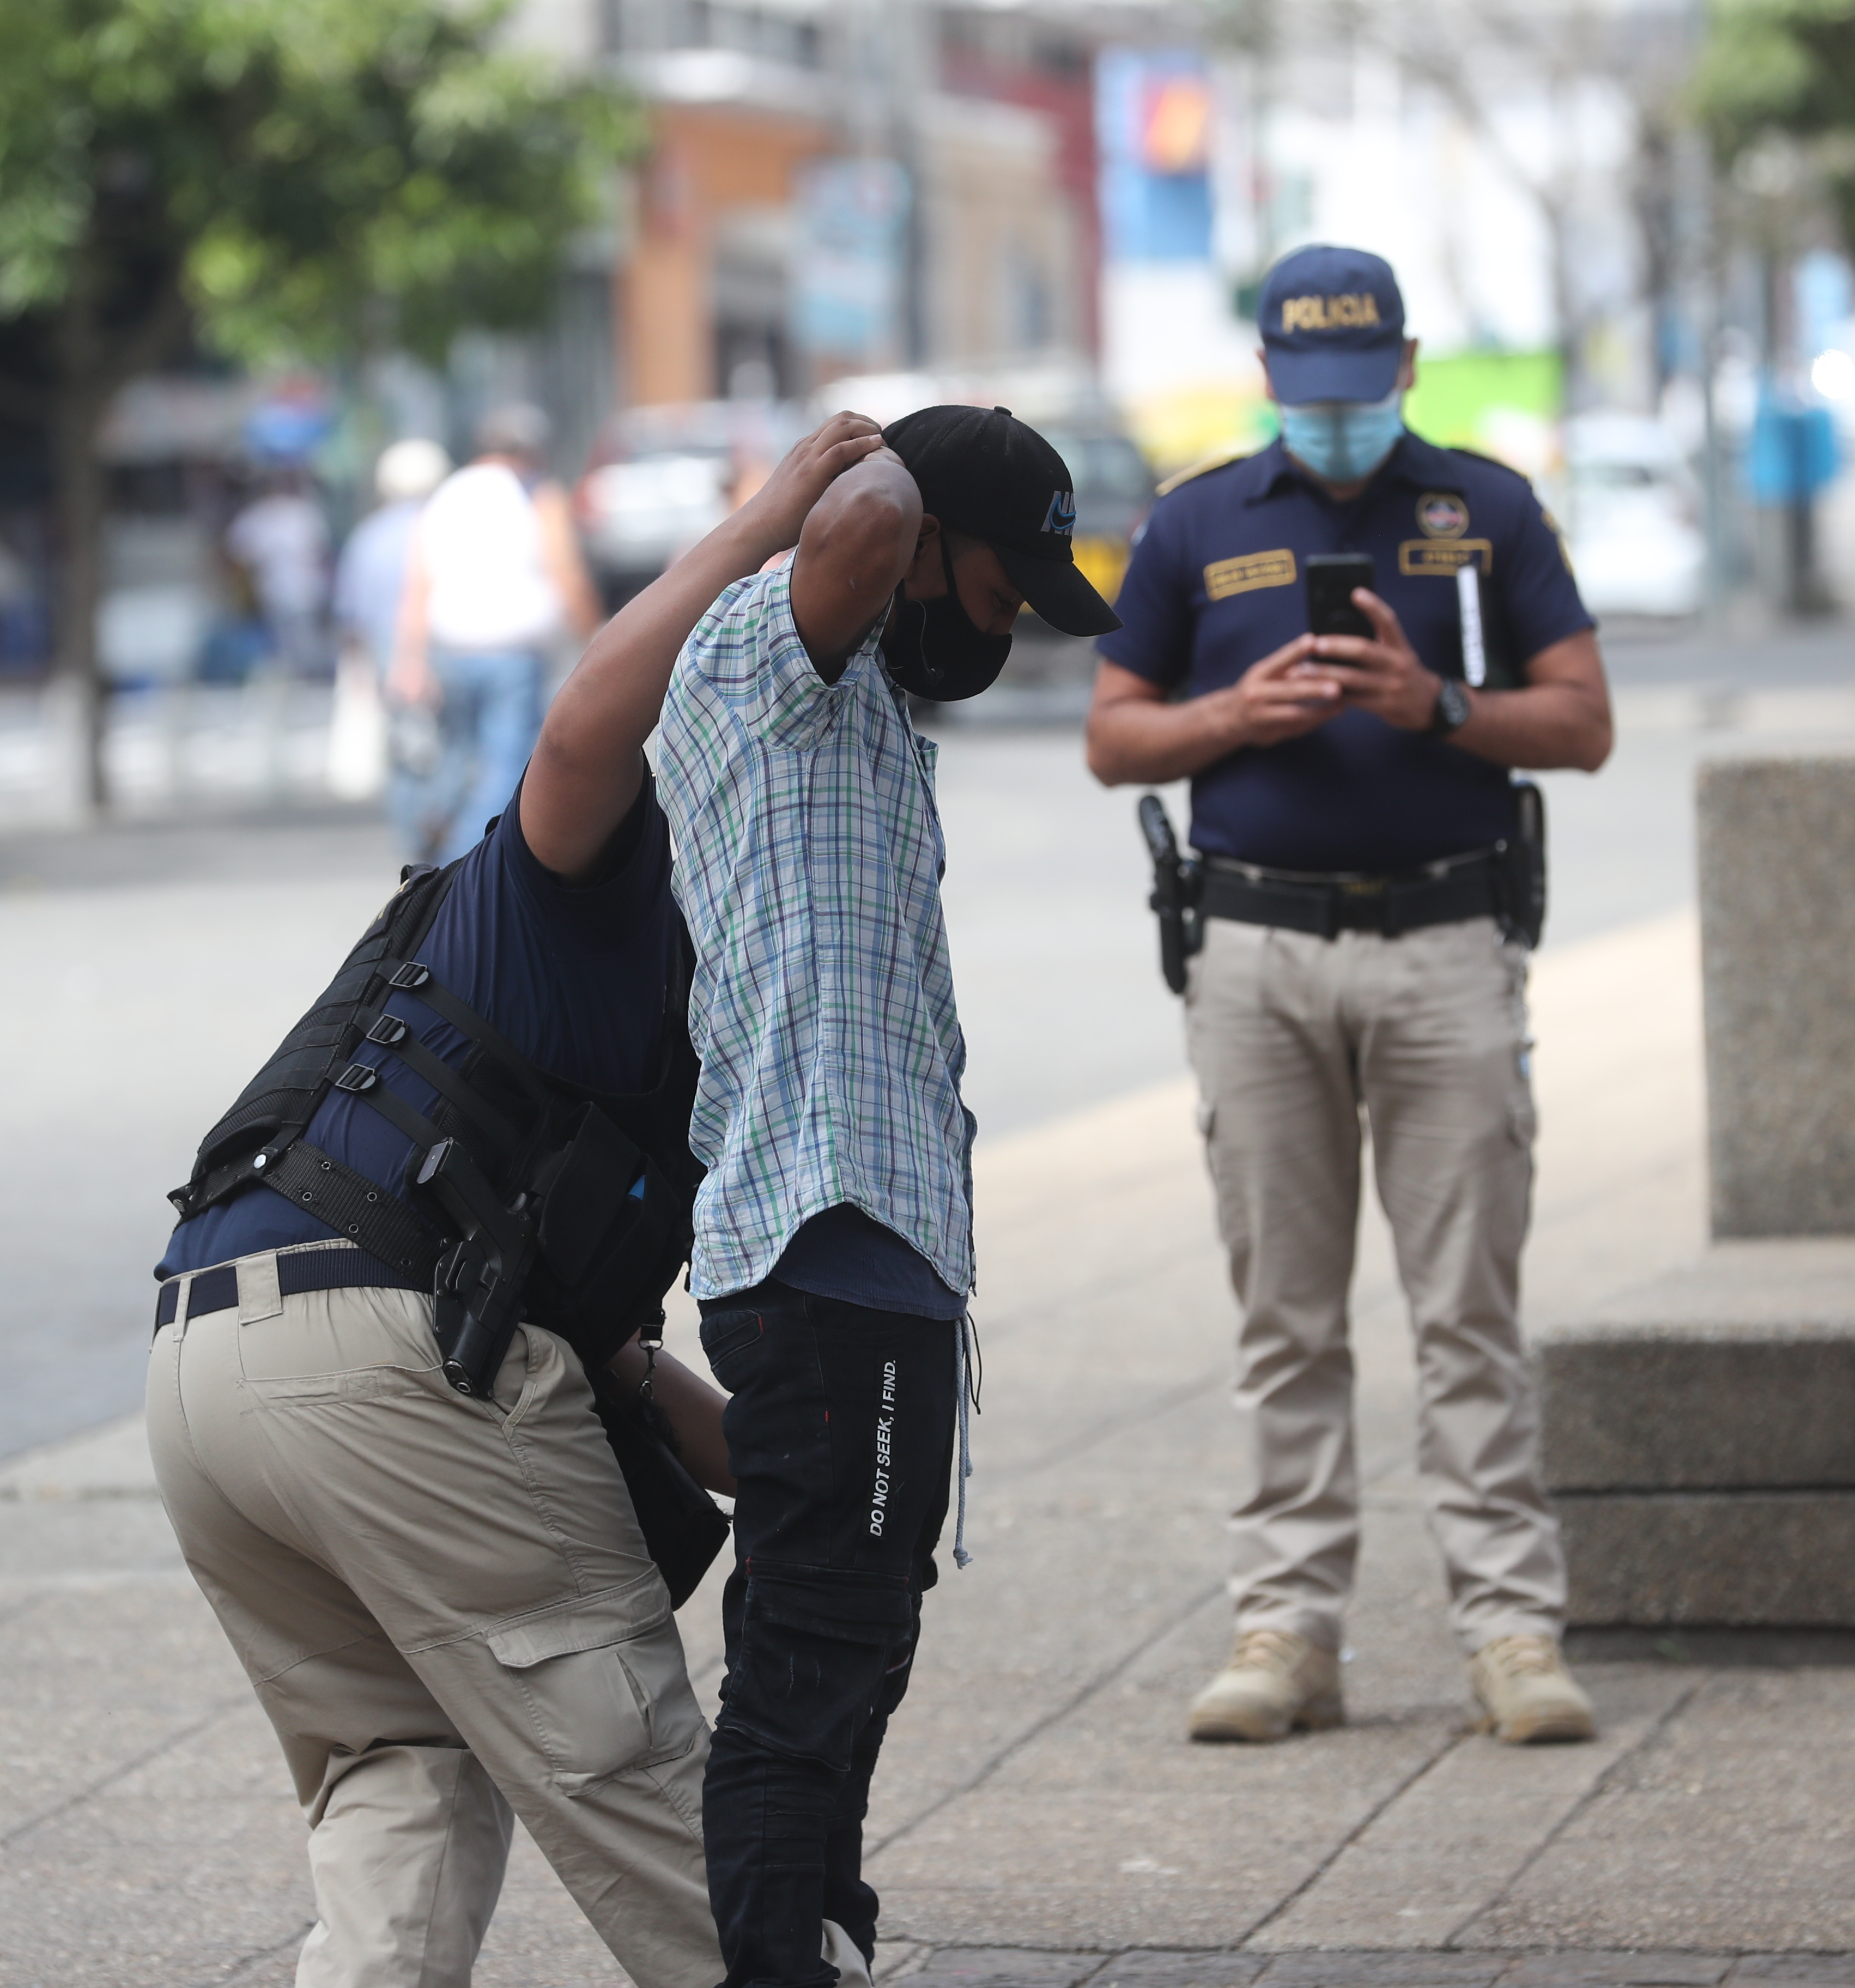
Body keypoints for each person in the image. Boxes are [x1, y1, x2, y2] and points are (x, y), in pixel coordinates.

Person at [144, 411, 896, 1988]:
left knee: (399, 1772)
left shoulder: (540, 987)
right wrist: (763, 523)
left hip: (209, 1367)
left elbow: (606, 1357)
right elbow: (574, 734)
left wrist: (813, 1472)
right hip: (391, 1362)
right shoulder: (588, 881)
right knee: (659, 1810)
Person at [1083, 244, 1616, 1748]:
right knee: (1286, 1315)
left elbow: (1583, 721)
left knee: (1468, 1313)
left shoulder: (1486, 512)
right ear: (1268, 381)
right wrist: (1230, 717)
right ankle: (1288, 1632)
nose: (1334, 419)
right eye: (1308, 393)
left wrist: (1435, 706)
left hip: (1449, 946)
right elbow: (1113, 739)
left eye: (1361, 387)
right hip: (1256, 956)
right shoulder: (1195, 522)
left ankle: (1512, 1631)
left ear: (1407, 365)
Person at [653, 403, 1123, 1988]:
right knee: (806, 1664)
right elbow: (859, 521)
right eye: (999, 590)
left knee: (859, 1643)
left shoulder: (861, 709)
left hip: (884, 1254)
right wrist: (875, 472)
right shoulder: (768, 664)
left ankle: (821, 1937)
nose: (1000, 631)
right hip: (823, 1240)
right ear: (922, 545)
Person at [390, 404, 601, 862]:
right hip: (512, 654)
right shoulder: (535, 495)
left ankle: (429, 834)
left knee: (458, 759)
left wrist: (409, 657)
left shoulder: (447, 496)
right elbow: (567, 573)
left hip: (451, 650)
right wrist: (597, 636)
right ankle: (459, 868)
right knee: (506, 766)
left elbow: (418, 584)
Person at [335, 438, 453, 841]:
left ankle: (414, 848)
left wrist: (358, 668)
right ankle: (451, 838)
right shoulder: (447, 526)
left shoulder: (368, 536)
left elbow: (350, 613)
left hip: (387, 650)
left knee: (404, 752)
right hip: (446, 646)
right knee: (453, 745)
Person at [226, 459, 335, 680]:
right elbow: (237, 555)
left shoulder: (302, 513)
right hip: (276, 594)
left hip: (306, 592)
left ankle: (313, 681)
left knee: (309, 646)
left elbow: (321, 553)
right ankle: (303, 683)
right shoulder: (258, 517)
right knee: (287, 649)